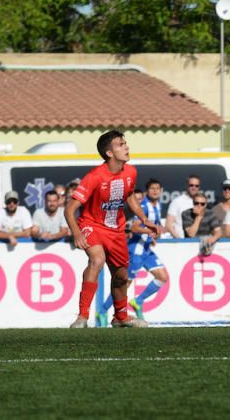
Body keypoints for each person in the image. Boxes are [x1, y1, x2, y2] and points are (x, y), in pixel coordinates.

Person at [65, 131, 161, 328]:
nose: (126, 147)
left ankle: (120, 318)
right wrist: (76, 233)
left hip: (116, 231)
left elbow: (129, 196)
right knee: (97, 260)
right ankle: (83, 317)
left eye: (126, 143)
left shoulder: (131, 172)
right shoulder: (94, 177)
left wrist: (144, 219)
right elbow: (70, 209)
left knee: (121, 276)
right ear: (109, 153)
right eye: (120, 144)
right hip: (92, 224)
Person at [98, 177, 169, 325]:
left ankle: (138, 301)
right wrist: (150, 230)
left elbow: (151, 228)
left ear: (161, 191)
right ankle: (102, 311)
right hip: (135, 251)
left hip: (146, 249)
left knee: (162, 277)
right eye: (152, 188)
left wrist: (153, 236)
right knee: (124, 284)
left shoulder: (157, 206)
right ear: (147, 191)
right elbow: (135, 227)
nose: (155, 191)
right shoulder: (143, 205)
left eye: (157, 188)